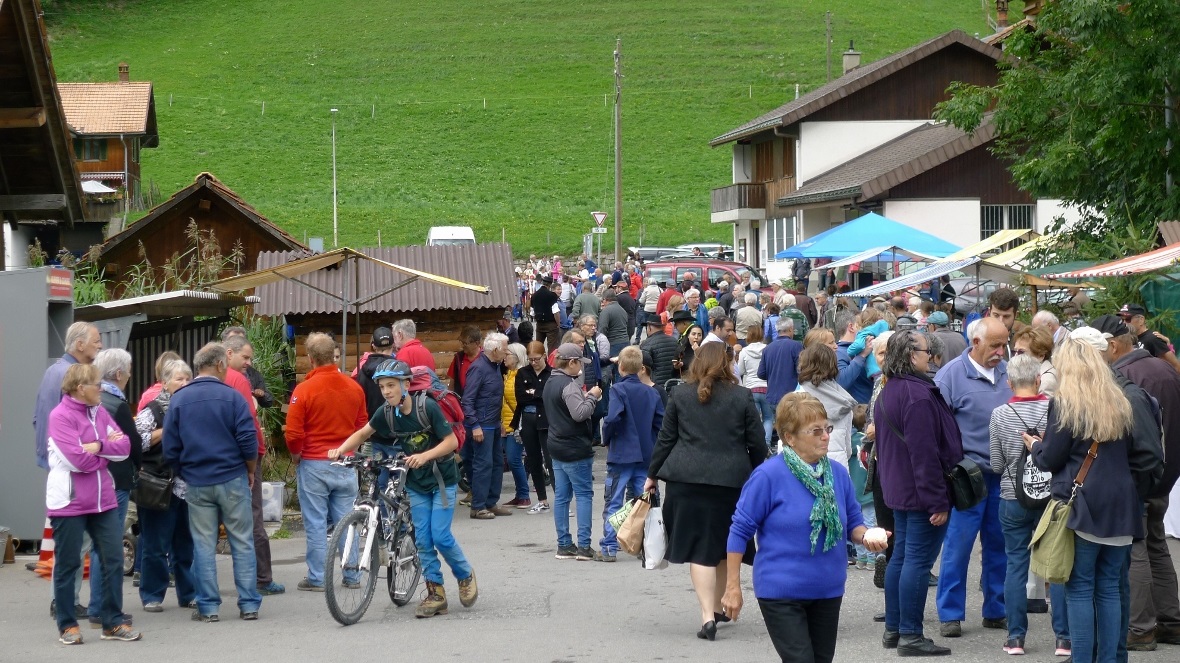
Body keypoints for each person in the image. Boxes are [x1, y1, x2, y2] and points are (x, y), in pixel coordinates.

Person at [722, 392, 888, 662]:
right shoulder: (768, 476)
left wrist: (868, 536)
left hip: (828, 589)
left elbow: (854, 525)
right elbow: (739, 531)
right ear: (790, 437)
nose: (825, 436)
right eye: (816, 431)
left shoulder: (838, 474)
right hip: (781, 591)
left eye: (827, 428)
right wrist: (732, 588)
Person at [1027, 338, 1158, 663]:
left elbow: (1051, 458)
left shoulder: (1066, 403)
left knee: (1080, 588)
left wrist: (1034, 446)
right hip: (1122, 504)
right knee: (1110, 588)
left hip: (1084, 503)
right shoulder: (1119, 400)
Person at [330, 359, 478, 618]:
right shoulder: (386, 413)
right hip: (416, 484)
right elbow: (363, 434)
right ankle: (436, 593)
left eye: (391, 385)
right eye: (382, 387)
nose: (386, 391)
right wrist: (341, 449)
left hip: (441, 481)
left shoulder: (427, 408)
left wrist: (425, 455)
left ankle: (465, 575)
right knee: (422, 540)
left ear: (406, 385)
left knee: (440, 536)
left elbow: (452, 441)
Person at [644, 342, 767, 641]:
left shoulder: (680, 394)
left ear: (695, 363)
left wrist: (651, 475)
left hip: (686, 482)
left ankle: (707, 616)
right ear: (728, 364)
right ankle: (719, 606)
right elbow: (758, 443)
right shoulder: (741, 396)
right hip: (731, 483)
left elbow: (666, 439)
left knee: (700, 549)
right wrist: (754, 473)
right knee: (727, 544)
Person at [875, 330, 964, 656]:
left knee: (901, 558)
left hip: (900, 489)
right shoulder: (917, 396)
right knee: (915, 561)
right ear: (913, 356)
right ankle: (910, 633)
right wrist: (937, 501)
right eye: (927, 351)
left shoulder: (891, 391)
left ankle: (896, 629)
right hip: (919, 492)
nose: (932, 356)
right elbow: (924, 454)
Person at [162, 342, 262, 622]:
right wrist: (250, 469)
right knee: (242, 541)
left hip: (197, 480)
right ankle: (249, 604)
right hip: (232, 477)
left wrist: (185, 470)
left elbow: (170, 447)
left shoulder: (179, 399)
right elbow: (248, 440)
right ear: (220, 365)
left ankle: (208, 607)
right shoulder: (233, 398)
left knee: (203, 544)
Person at [1098, 314, 1180, 649]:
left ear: (1114, 345)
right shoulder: (1165, 368)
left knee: (1138, 547)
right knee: (1156, 543)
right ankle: (1171, 622)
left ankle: (1142, 628)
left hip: (1141, 476)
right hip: (1166, 473)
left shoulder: (1126, 376)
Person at [46, 363, 139, 645]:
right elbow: (76, 459)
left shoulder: (100, 411)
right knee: (68, 564)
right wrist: (104, 451)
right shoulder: (60, 416)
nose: (101, 388)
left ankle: (112, 622)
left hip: (104, 501)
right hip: (70, 503)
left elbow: (124, 447)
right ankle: (67, 625)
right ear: (79, 389)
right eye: (96, 384)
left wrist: (98, 446)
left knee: (113, 561)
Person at [933, 316, 1013, 638]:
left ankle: (997, 609)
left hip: (1004, 473)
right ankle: (950, 613)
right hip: (967, 474)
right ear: (975, 343)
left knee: (1000, 544)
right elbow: (938, 428)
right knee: (958, 545)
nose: (1001, 351)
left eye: (1004, 343)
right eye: (995, 345)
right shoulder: (950, 376)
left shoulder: (1008, 371)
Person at [987, 353, 1069, 656]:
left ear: (1009, 382)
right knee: (1057, 566)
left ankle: (1016, 638)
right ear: (1039, 380)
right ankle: (1064, 638)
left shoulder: (1000, 414)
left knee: (1015, 565)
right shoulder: (1054, 410)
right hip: (1051, 497)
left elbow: (996, 464)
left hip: (1012, 496)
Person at [285, 332, 368, 592]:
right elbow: (361, 425)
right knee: (348, 520)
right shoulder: (353, 387)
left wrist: (296, 454)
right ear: (333, 354)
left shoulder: (304, 390)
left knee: (316, 522)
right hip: (345, 462)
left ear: (310, 359)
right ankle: (352, 574)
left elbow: (294, 433)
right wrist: (350, 450)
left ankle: (318, 577)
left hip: (313, 463)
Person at [222, 334, 283, 597]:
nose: (248, 363)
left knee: (207, 529)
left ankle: (198, 589)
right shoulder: (237, 380)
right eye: (245, 357)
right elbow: (250, 424)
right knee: (253, 517)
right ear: (228, 353)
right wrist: (257, 454)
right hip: (243, 459)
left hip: (211, 463)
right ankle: (261, 578)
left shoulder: (200, 380)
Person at [134, 359, 195, 615]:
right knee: (155, 545)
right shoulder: (153, 409)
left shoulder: (192, 407)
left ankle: (188, 594)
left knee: (186, 544)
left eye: (187, 378)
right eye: (178, 379)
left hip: (187, 486)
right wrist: (167, 429)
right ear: (165, 382)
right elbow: (137, 442)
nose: (184, 383)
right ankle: (152, 595)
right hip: (158, 485)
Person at [598, 346, 664, 562]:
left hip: (622, 454)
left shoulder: (618, 390)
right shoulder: (652, 392)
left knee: (614, 500)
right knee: (642, 502)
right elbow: (660, 424)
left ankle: (609, 545)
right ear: (640, 368)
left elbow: (613, 418)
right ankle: (644, 545)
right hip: (645, 454)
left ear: (621, 366)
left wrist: (606, 437)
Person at [91, 349, 142, 628]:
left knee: (100, 544)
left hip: (95, 480)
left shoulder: (92, 400)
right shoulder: (118, 405)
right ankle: (103, 609)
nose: (131, 375)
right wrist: (140, 466)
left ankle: (98, 606)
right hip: (116, 481)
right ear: (119, 374)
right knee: (107, 546)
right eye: (130, 370)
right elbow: (133, 444)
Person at [543, 343, 602, 560]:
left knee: (562, 496)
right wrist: (593, 397)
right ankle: (584, 546)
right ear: (572, 362)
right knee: (584, 495)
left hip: (556, 444)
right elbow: (579, 414)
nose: (582, 367)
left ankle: (564, 544)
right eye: (580, 362)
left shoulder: (550, 381)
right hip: (574, 446)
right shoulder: (568, 385)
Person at [459, 332, 510, 519]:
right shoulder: (478, 368)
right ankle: (478, 505)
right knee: (483, 464)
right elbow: (467, 400)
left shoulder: (495, 366)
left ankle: (490, 502)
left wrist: (500, 422)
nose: (507, 352)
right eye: (505, 349)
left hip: (493, 423)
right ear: (495, 350)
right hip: (482, 425)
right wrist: (474, 425)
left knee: (497, 463)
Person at [794, 345, 857, 468]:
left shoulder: (797, 400)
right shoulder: (845, 400)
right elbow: (847, 447)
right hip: (839, 468)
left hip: (806, 468)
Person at [513, 341, 553, 514]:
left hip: (546, 419)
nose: (534, 362)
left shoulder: (551, 373)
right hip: (528, 419)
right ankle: (542, 500)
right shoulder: (522, 373)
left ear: (544, 356)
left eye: (536, 359)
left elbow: (548, 395)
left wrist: (534, 393)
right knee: (533, 459)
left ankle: (561, 500)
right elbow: (521, 397)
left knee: (551, 461)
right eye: (530, 359)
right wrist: (537, 394)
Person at [499, 343, 532, 509]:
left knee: (513, 459)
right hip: (508, 424)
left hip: (517, 425)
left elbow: (519, 403)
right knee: (513, 460)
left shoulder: (519, 376)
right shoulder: (509, 375)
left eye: (508, 354)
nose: (505, 357)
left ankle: (524, 495)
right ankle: (520, 495)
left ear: (517, 357)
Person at [221, 326, 275, 408]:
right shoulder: (213, 372)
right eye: (233, 341)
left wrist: (261, 394)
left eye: (242, 341)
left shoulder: (252, 373)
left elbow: (268, 401)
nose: (239, 344)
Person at [737, 324, 773, 445]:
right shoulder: (768, 349)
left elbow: (740, 371)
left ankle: (755, 444)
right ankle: (766, 443)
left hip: (751, 388)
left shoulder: (744, 351)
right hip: (767, 387)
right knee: (768, 418)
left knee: (754, 420)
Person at [758, 317, 803, 412]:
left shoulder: (767, 348)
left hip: (772, 397)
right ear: (791, 329)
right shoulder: (796, 346)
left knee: (777, 425)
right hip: (790, 398)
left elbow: (761, 373)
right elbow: (801, 370)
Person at [1119, 302, 1180, 372]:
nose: (1124, 323)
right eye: (1122, 319)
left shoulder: (1153, 339)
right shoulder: (1129, 339)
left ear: (1141, 320)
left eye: (1127, 319)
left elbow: (1175, 366)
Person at [835, 310, 875, 404]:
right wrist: (862, 355)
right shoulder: (838, 352)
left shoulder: (866, 347)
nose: (864, 330)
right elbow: (841, 382)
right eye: (861, 326)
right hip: (856, 412)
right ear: (851, 327)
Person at [1012, 325, 1058, 397]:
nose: (1015, 356)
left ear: (1040, 356)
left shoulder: (1046, 381)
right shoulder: (1031, 373)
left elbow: (1043, 408)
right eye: (1014, 351)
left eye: (1021, 352)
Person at [447, 325, 482, 399]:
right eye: (461, 342)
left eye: (465, 343)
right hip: (461, 402)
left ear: (477, 343)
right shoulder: (458, 358)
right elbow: (452, 384)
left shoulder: (486, 358)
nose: (462, 346)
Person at [531, 275, 561, 352]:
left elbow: (532, 310)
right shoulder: (552, 296)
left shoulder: (534, 295)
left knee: (538, 347)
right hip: (551, 325)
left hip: (539, 324)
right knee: (552, 347)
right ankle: (550, 363)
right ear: (550, 285)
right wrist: (558, 324)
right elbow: (556, 312)